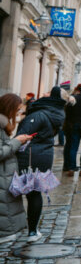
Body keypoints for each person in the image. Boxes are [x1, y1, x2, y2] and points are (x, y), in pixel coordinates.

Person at [16, 86, 68, 241]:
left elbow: (21, 136)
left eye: (47, 92)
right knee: (34, 193)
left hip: (30, 156)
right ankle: (33, 230)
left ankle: (28, 230)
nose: (43, 94)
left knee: (26, 193)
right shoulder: (54, 112)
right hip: (43, 155)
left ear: (52, 97)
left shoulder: (39, 114)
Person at [0, 94, 33, 244]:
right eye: (17, 110)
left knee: (8, 203)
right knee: (5, 205)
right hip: (2, 173)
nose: (18, 113)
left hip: (5, 173)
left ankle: (9, 231)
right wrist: (16, 141)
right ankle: (6, 233)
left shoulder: (4, 124)